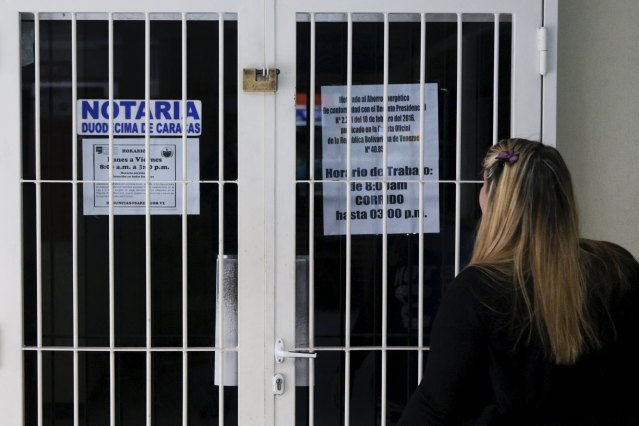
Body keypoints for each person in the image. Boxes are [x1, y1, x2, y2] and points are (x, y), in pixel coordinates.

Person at [398, 138, 639, 425]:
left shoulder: (476, 289)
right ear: (563, 197)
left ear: (490, 198)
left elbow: (435, 407)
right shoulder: (616, 265)